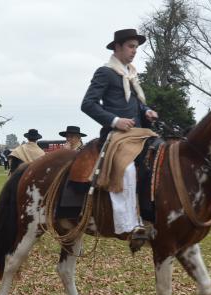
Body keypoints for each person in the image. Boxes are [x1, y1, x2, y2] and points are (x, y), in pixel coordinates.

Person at [81, 28, 158, 251]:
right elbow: (88, 104)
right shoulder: (105, 72)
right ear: (117, 47)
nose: (135, 51)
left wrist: (147, 111)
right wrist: (115, 120)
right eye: (131, 46)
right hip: (118, 135)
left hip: (139, 132)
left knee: (161, 158)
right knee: (128, 169)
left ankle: (153, 214)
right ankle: (129, 226)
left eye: (136, 47)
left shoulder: (131, 73)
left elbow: (135, 104)